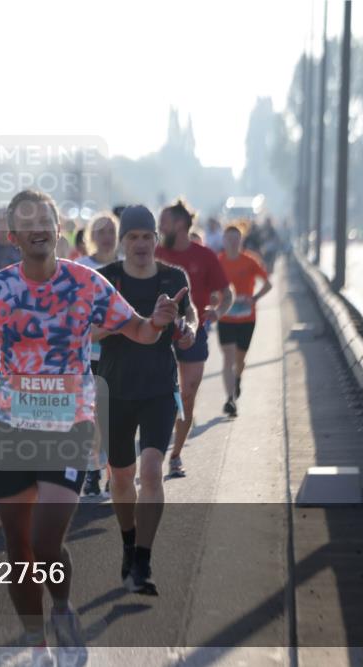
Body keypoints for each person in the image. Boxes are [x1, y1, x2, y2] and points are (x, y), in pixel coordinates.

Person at [0, 189, 184, 664]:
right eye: (27, 222)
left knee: (45, 543)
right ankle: (37, 641)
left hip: (68, 427)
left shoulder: (86, 284)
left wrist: (159, 322)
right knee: (19, 551)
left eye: (46, 219)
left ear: (58, 229)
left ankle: (61, 606)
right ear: (13, 236)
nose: (38, 227)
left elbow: (139, 330)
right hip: (9, 432)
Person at [95, 205, 197, 595]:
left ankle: (143, 559)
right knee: (121, 478)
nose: (140, 244)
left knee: (152, 471)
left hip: (158, 388)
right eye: (132, 237)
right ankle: (127, 541)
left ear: (156, 240)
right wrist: (126, 324)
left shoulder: (173, 278)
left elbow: (189, 320)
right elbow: (85, 334)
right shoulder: (105, 281)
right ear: (122, 242)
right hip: (115, 389)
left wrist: (185, 330)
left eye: (146, 236)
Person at [156, 198, 234, 477]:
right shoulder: (153, 253)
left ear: (179, 224)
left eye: (163, 221)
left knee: (187, 394)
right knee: (158, 395)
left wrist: (218, 312)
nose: (159, 226)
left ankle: (175, 454)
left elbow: (228, 293)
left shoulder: (204, 256)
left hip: (193, 330)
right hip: (156, 333)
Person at [74, 211, 120, 497]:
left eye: (111, 231)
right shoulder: (81, 267)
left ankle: (114, 474)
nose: (106, 236)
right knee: (92, 416)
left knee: (114, 418)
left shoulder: (126, 267)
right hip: (88, 353)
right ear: (92, 236)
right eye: (101, 231)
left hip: (120, 354)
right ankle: (92, 472)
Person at [218, 223, 272, 417]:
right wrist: (216, 300)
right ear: (223, 240)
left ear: (241, 240)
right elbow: (210, 288)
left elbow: (268, 283)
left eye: (236, 238)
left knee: (239, 360)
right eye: (229, 238)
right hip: (225, 316)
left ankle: (238, 378)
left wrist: (255, 298)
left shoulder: (250, 260)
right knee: (228, 358)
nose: (232, 242)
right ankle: (230, 399)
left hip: (247, 317)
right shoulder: (218, 261)